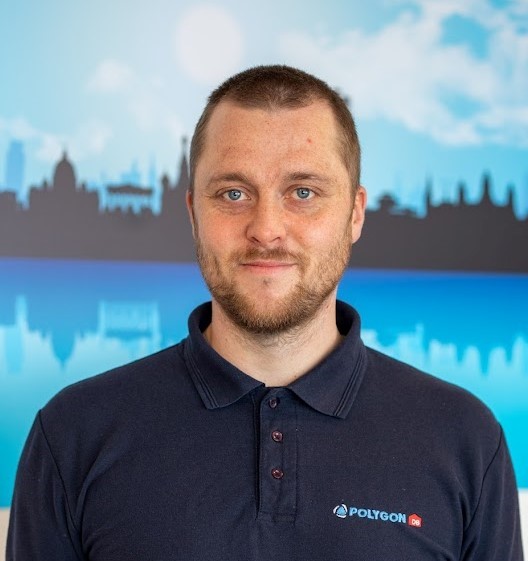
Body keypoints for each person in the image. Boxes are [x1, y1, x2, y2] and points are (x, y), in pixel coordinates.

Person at [7, 65, 523, 560]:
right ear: (194, 214)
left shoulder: (466, 439)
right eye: (233, 193)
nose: (266, 229)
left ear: (355, 213)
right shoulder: (73, 433)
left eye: (303, 192)